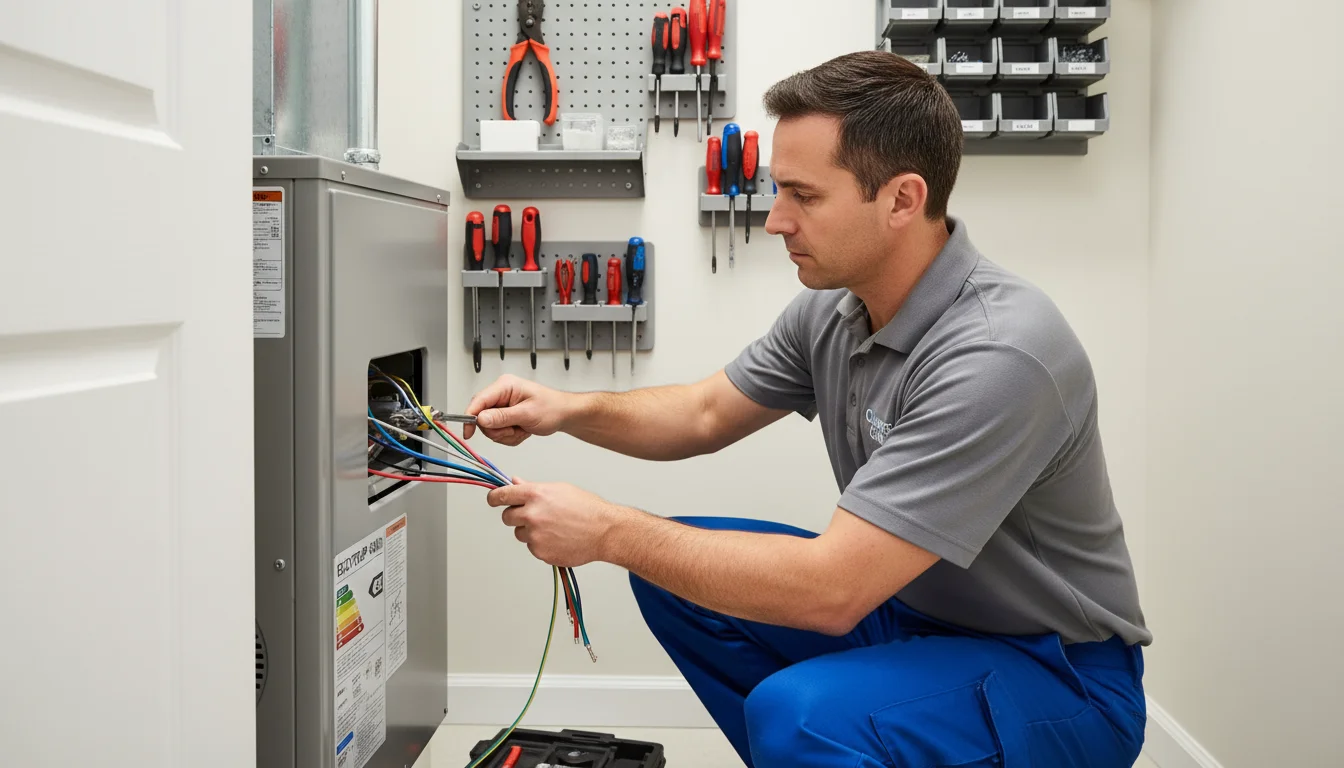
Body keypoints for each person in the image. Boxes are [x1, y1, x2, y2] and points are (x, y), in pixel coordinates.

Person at [465, 50, 1150, 768]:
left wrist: (608, 530)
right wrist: (566, 408)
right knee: (679, 583)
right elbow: (702, 413)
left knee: (797, 715)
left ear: (902, 200)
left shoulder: (999, 354)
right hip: (913, 619)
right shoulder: (835, 311)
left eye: (804, 196)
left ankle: (820, 741)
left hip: (1059, 675)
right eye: (776, 192)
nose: (775, 221)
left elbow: (832, 590)